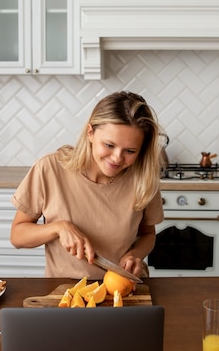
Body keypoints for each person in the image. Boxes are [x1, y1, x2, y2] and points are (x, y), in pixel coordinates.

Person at [10, 91, 165, 279]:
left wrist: (135, 255)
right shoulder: (50, 168)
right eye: (109, 145)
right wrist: (58, 227)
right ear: (90, 133)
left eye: (130, 150)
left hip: (125, 288)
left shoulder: (144, 177)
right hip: (66, 291)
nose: (117, 158)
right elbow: (17, 236)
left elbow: (148, 235)